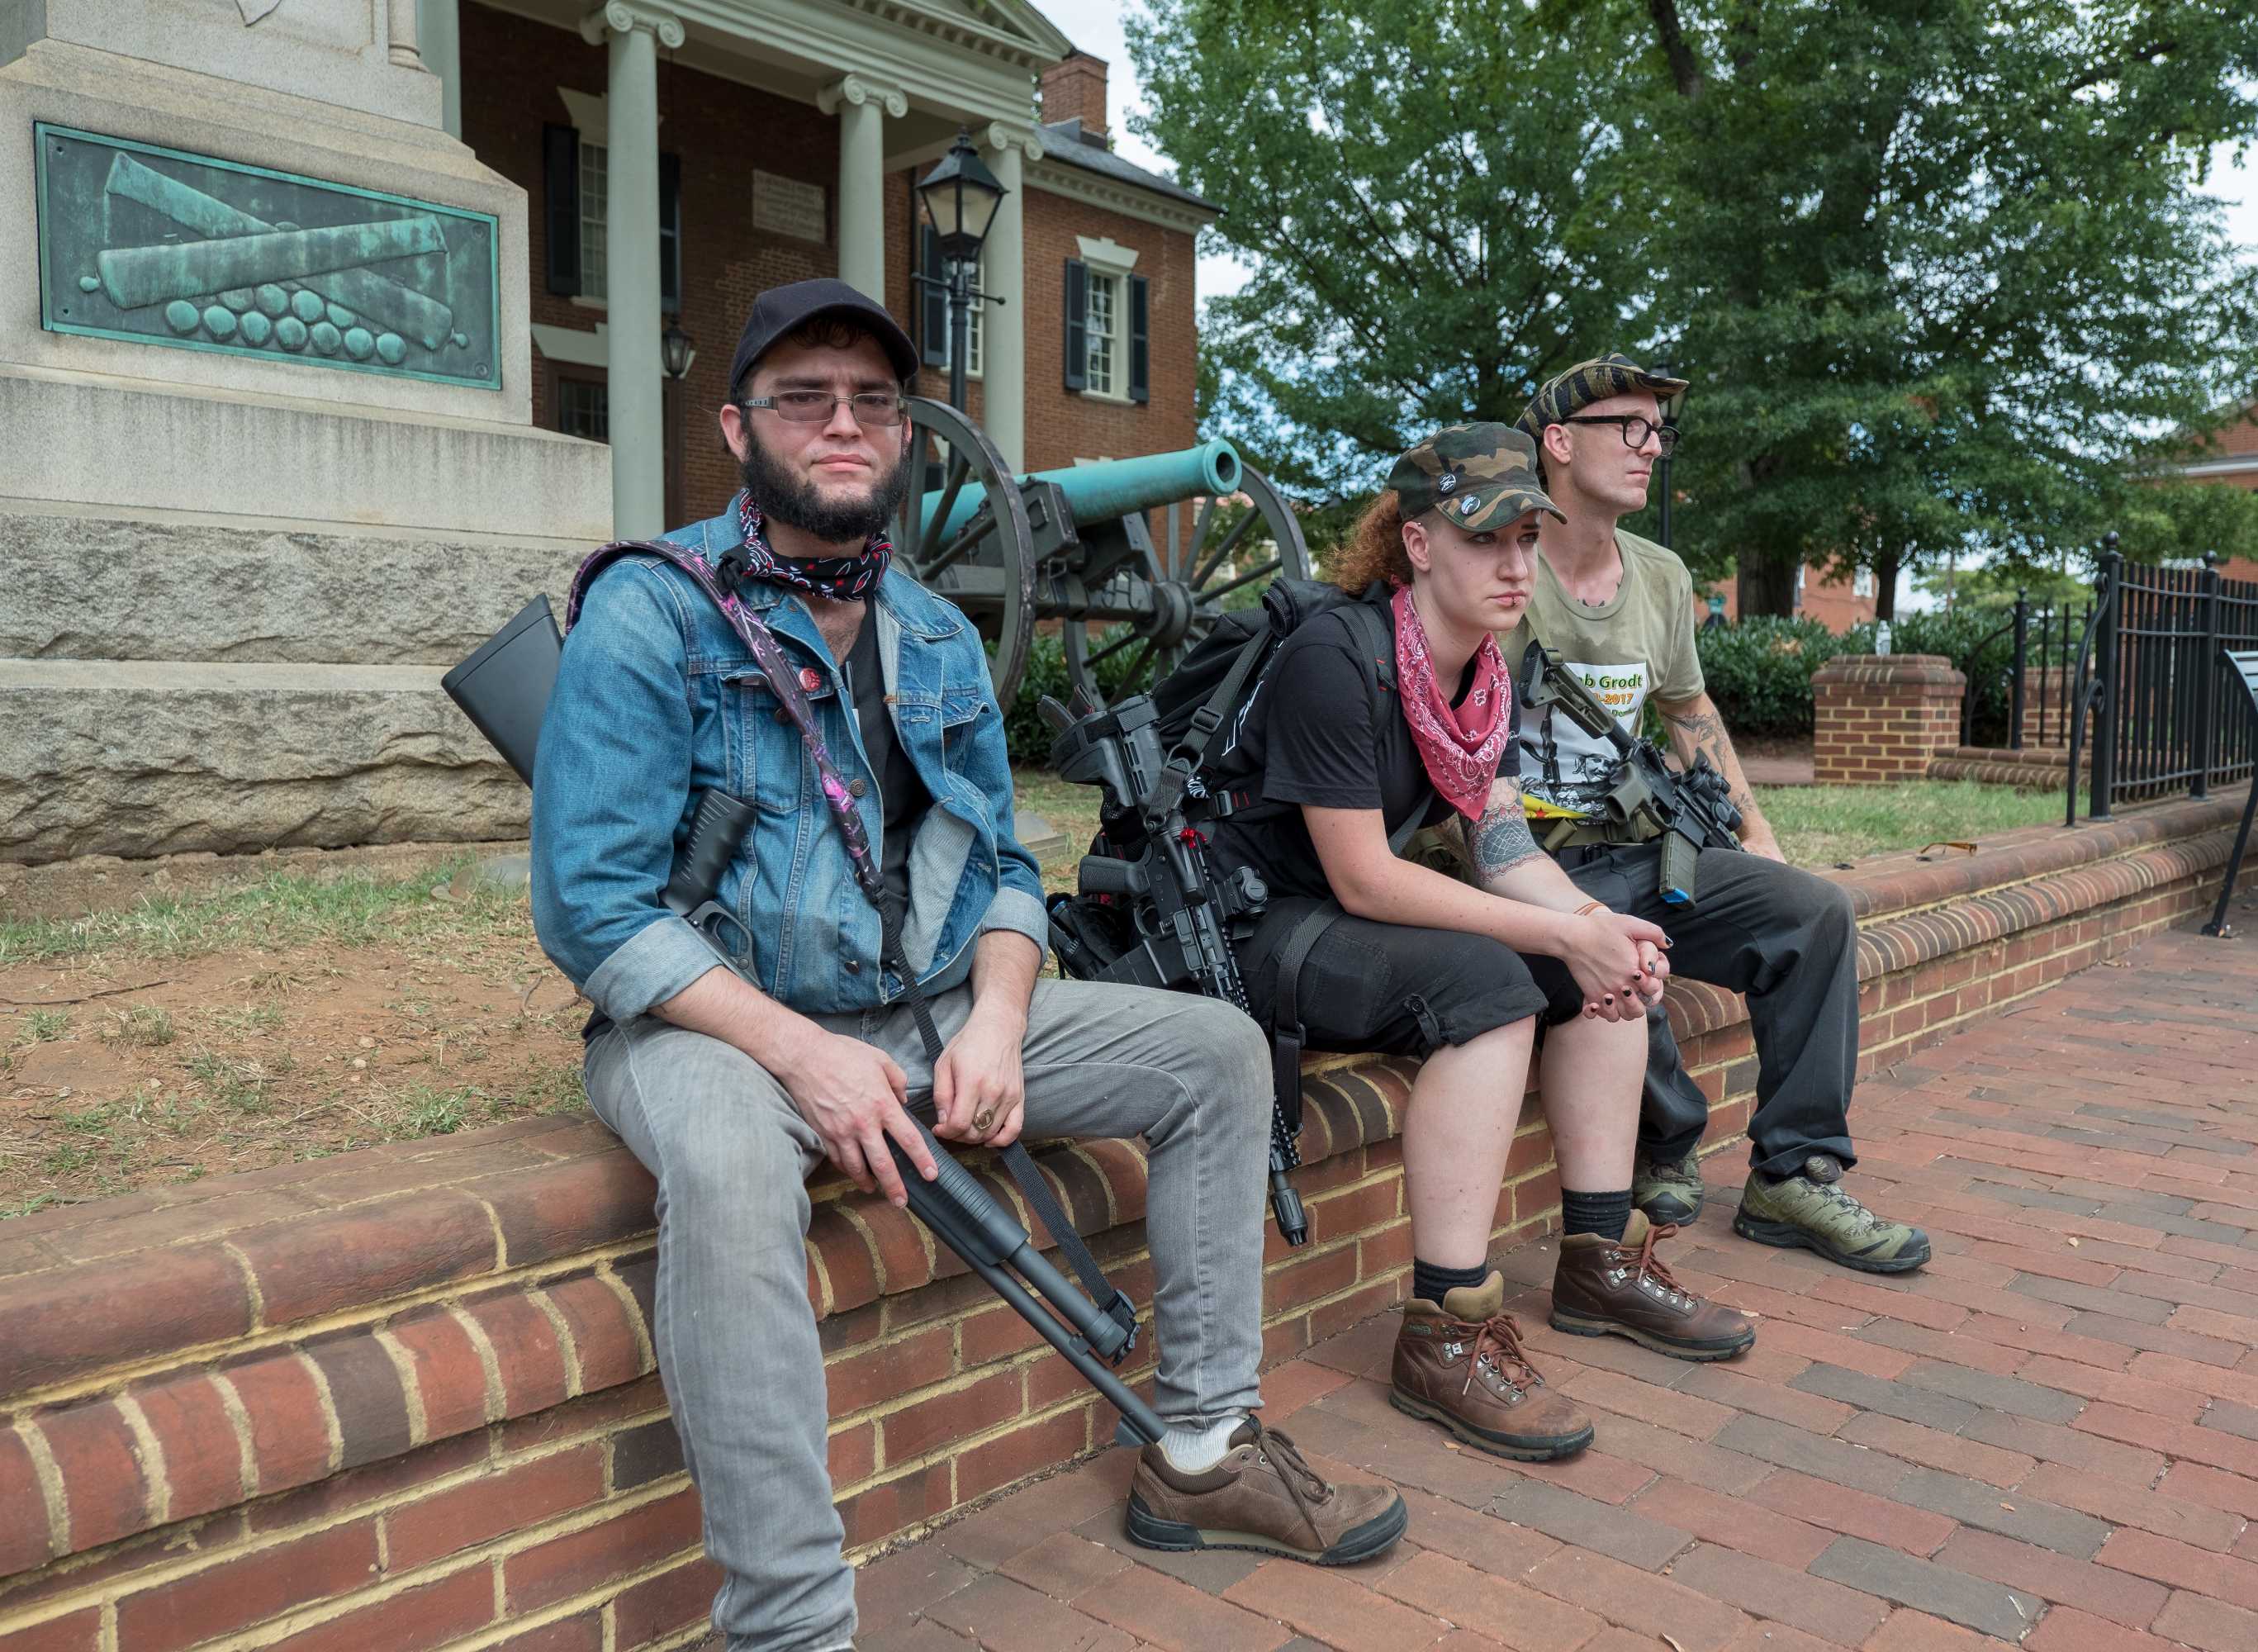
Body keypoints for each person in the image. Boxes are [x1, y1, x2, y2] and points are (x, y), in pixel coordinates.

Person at [529, 279, 1407, 1652]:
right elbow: (594, 909)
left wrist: (998, 1020)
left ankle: (1202, 1451)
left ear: (904, 436)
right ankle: (792, 1624)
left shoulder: (931, 631)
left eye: (873, 402)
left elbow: (1000, 865)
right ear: (737, 429)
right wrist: (805, 1055)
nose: (843, 423)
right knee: (729, 1168)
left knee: (1217, 1054)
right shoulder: (652, 610)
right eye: (804, 398)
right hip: (716, 1026)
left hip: (928, 1005)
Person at [1207, 424, 1755, 1466]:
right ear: (1416, 544)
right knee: (1493, 989)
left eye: (1527, 539)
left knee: (1591, 962)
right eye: (1484, 538)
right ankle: (1444, 1329)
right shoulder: (1338, 654)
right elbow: (1365, 875)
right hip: (1253, 922)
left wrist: (1593, 929)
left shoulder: (1483, 673)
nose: (1515, 564)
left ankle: (1598, 1259)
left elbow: (1501, 849)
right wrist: (1561, 930)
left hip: (1341, 909)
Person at [1511, 354, 1931, 1273]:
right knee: (1622, 953)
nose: (1652, 446)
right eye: (1629, 426)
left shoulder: (1660, 576)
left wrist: (1759, 835)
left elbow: (1687, 709)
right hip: (1523, 866)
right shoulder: (1504, 564)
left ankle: (1793, 1173)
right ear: (1558, 442)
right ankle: (1664, 1140)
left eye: (1659, 430)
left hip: (1634, 848)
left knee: (1815, 913)